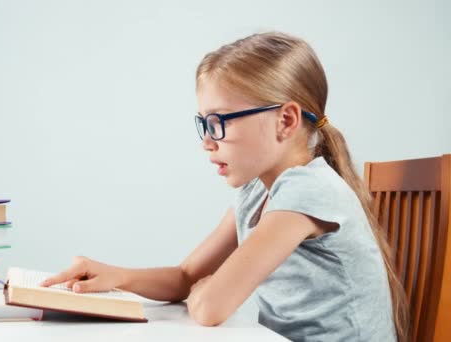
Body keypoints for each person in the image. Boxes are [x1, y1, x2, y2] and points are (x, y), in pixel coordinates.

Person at [41, 31, 408, 341]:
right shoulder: (256, 191)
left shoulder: (307, 190)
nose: (207, 142)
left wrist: (204, 292)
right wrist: (118, 276)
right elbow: (187, 278)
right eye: (204, 124)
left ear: (286, 120)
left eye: (219, 122)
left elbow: (209, 307)